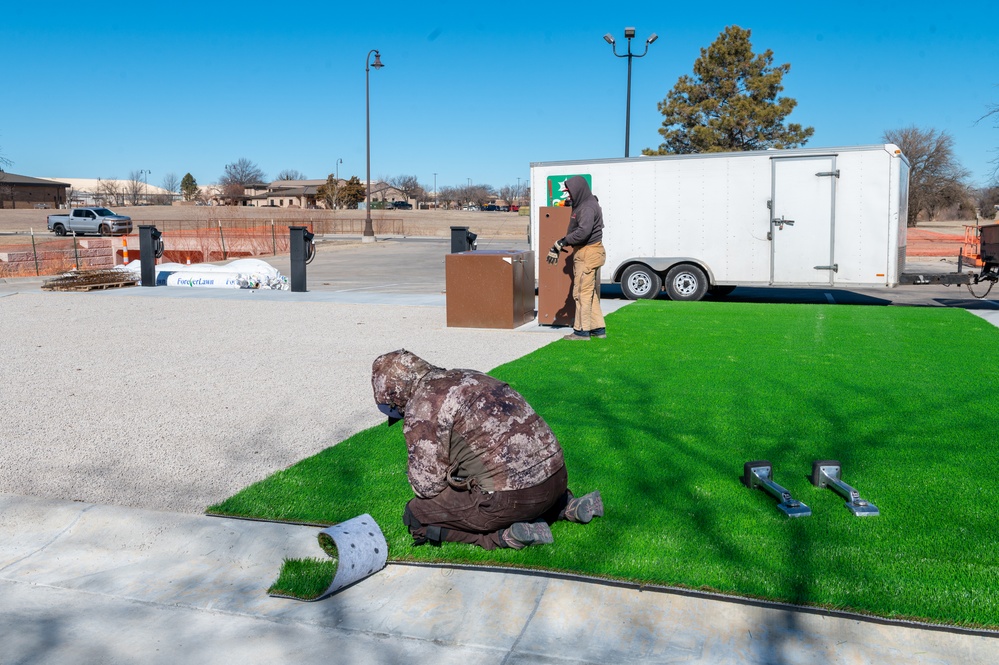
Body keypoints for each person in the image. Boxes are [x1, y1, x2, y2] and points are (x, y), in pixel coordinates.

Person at [371, 349, 603, 550]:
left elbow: (427, 487)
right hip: (558, 480)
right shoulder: (467, 375)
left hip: (512, 499)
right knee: (514, 482)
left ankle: (504, 537)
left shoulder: (424, 406)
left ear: (394, 395)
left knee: (416, 514)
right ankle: (565, 507)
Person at [546, 175, 606, 341]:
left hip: (588, 252)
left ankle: (581, 332)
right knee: (589, 292)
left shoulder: (587, 207)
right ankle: (598, 328)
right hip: (588, 252)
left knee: (581, 293)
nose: (568, 196)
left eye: (570, 193)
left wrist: (562, 242)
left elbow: (583, 232)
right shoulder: (585, 203)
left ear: (579, 190)